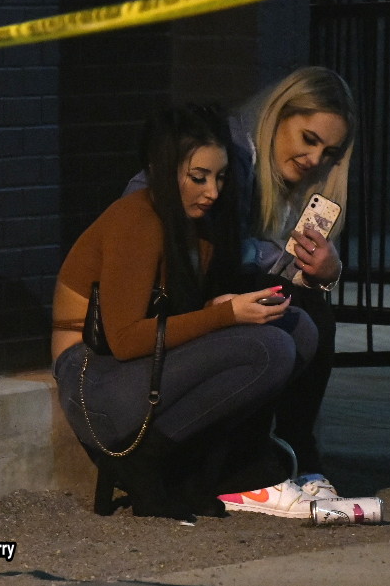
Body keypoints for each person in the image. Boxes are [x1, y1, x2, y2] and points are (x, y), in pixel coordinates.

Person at [52, 104, 329, 520]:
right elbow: (125, 339)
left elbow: (167, 314)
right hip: (95, 380)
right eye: (198, 178)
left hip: (139, 368)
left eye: (220, 177)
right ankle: (146, 465)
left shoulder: (196, 222)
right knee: (269, 348)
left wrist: (212, 308)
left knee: (298, 328)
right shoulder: (137, 218)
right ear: (162, 170)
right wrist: (224, 316)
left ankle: (221, 468)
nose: (213, 191)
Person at [124, 67, 357, 499]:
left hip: (212, 289)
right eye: (308, 139)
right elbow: (147, 207)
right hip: (170, 299)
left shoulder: (293, 183)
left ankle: (284, 459)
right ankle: (282, 463)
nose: (316, 159)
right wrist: (274, 262)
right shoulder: (233, 151)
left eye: (330, 152)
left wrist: (327, 270)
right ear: (278, 115)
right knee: (294, 310)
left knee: (302, 307)